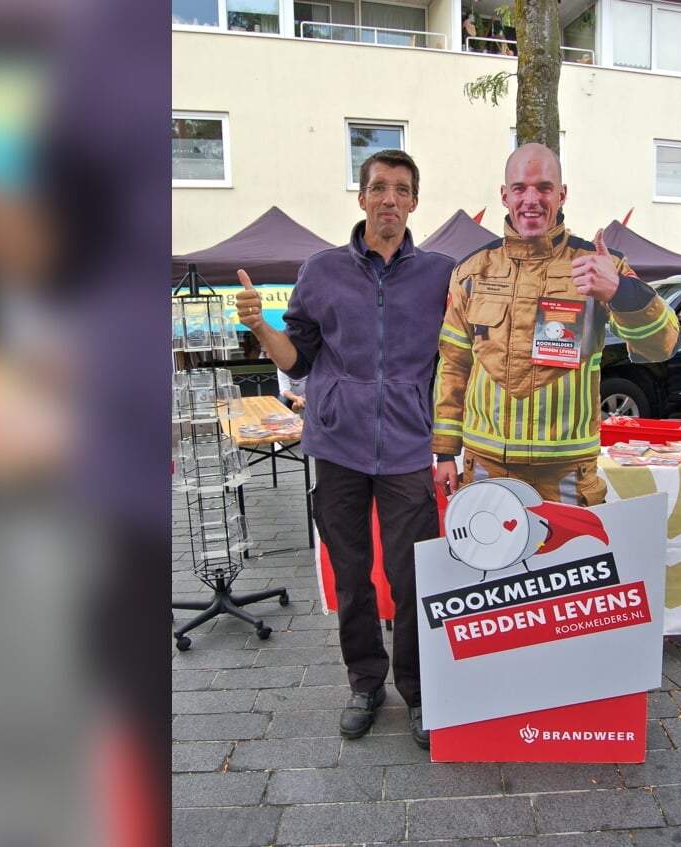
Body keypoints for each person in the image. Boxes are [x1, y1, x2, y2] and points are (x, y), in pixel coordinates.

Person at [234, 149, 453, 750]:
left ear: (413, 201)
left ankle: (418, 691)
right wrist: (259, 326)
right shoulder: (322, 270)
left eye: (401, 189)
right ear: (361, 198)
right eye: (378, 187)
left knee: (413, 578)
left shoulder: (441, 273)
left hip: (409, 446)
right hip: (336, 446)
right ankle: (365, 682)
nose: (389, 199)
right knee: (353, 575)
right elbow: (297, 359)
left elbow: (461, 356)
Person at [432, 142, 680, 506]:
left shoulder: (598, 265)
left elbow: (663, 344)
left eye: (544, 188)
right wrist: (443, 453)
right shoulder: (472, 271)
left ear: (562, 194)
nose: (531, 199)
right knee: (493, 563)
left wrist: (620, 291)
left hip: (566, 475)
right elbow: (453, 365)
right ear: (504, 195)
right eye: (520, 188)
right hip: (485, 469)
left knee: (569, 562)